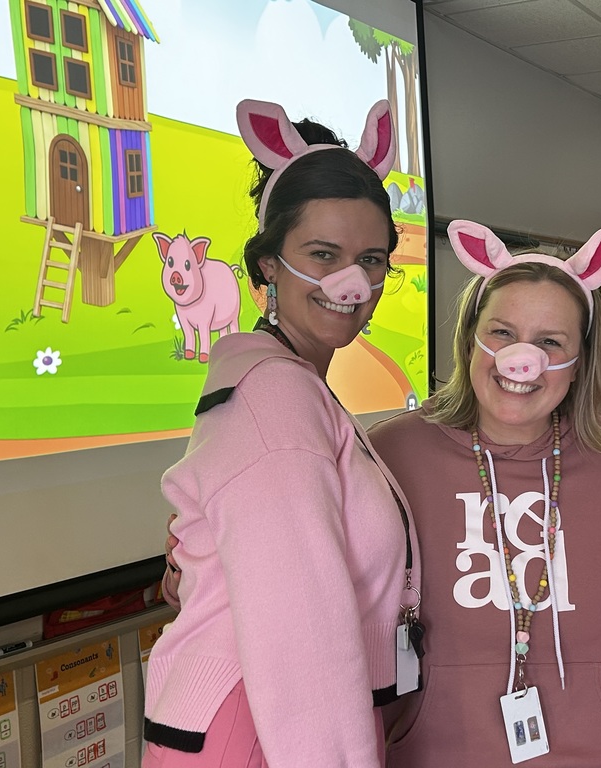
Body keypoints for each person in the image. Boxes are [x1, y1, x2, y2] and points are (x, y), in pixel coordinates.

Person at [143, 98, 421, 768]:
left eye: (372, 260)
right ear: (269, 264)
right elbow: (304, 643)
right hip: (267, 727)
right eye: (322, 254)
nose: (351, 283)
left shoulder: (291, 384)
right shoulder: (277, 397)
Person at [370, 220, 601, 767]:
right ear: (472, 337)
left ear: (579, 363)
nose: (522, 359)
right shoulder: (395, 452)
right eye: (502, 332)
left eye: (551, 342)